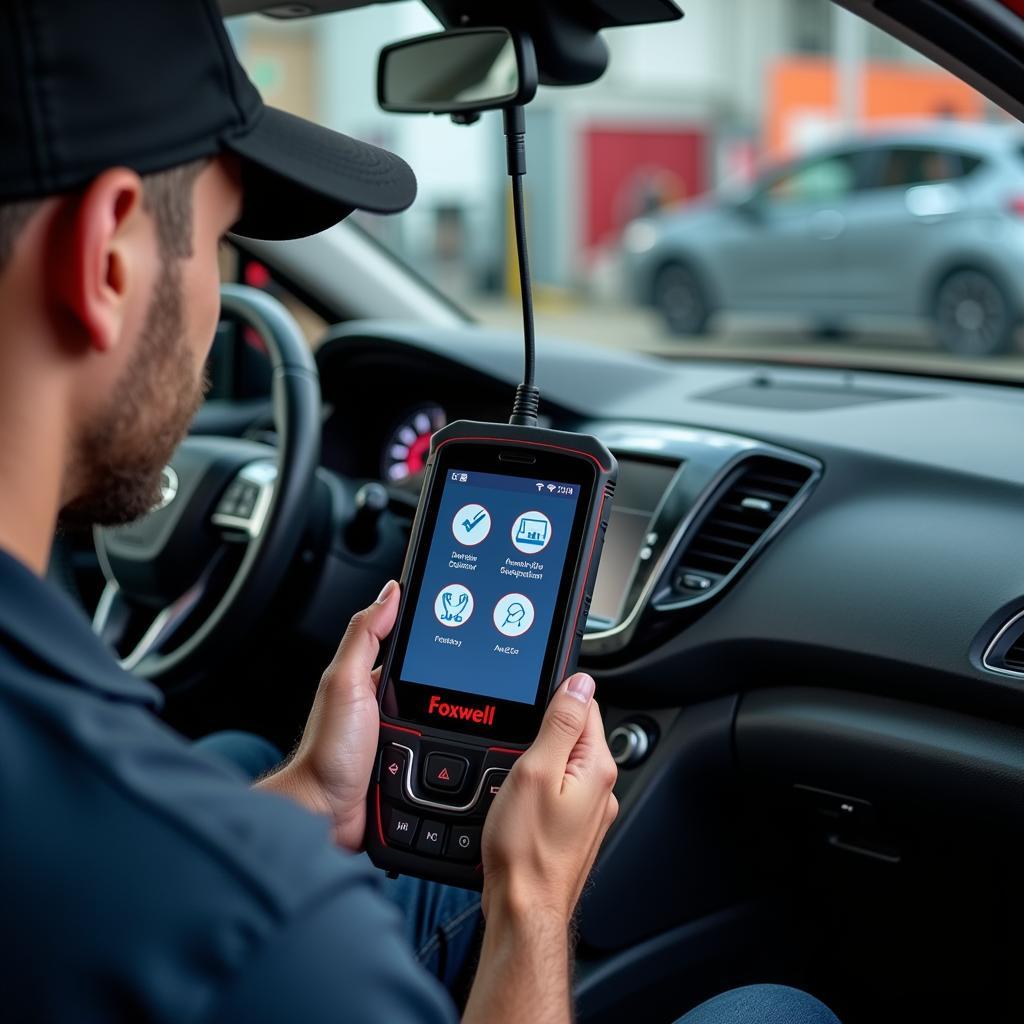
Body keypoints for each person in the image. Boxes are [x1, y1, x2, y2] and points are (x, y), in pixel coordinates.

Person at [0, 1, 840, 1021]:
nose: (217, 301)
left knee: (240, 765)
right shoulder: (260, 938)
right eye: (221, 245)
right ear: (108, 261)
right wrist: (531, 903)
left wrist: (309, 795)